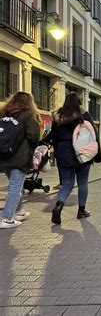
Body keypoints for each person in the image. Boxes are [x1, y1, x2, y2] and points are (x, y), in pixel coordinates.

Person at [43, 92, 101, 225]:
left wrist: (43, 143)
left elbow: (53, 135)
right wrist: (97, 155)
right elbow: (93, 135)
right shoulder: (84, 115)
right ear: (79, 102)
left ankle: (58, 205)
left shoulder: (59, 117)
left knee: (67, 183)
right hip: (82, 152)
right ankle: (81, 211)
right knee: (82, 182)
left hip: (63, 154)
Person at [0, 92, 41, 229]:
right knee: (15, 189)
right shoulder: (28, 115)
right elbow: (33, 136)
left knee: (16, 186)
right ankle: (6, 218)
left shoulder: (4, 113)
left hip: (4, 157)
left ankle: (19, 211)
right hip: (20, 158)